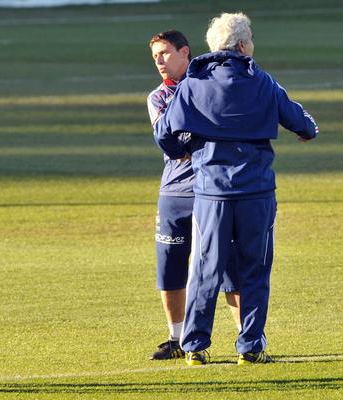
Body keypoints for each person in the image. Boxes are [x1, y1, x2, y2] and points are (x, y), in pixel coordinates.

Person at [155, 13, 318, 365]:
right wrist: (308, 131)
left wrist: (183, 151)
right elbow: (301, 123)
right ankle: (251, 346)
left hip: (210, 191)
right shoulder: (262, 80)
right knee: (254, 270)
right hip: (256, 190)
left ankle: (195, 346)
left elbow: (164, 132)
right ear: (243, 45)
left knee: (204, 268)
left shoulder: (193, 82)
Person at [147, 30, 242, 360]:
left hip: (214, 190)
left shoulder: (209, 86)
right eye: (155, 56)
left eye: (165, 53)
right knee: (170, 268)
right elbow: (175, 144)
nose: (159, 60)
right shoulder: (158, 97)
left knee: (230, 270)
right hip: (174, 193)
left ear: (185, 52)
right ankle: (176, 339)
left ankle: (247, 341)